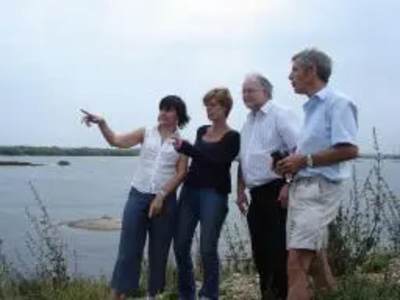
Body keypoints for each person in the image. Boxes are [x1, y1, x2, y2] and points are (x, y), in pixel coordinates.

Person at [81, 95, 190, 300]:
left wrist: (161, 195)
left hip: (165, 201)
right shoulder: (145, 132)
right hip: (138, 195)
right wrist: (102, 124)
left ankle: (153, 295)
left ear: (178, 115)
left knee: (159, 253)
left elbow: (181, 173)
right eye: (161, 108)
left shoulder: (183, 143)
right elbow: (116, 141)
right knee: (128, 250)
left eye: (168, 109)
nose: (162, 113)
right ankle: (117, 294)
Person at [276, 48, 358, 300]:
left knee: (296, 262)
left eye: (295, 70)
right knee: (313, 262)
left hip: (320, 189)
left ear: (312, 70)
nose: (290, 76)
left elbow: (350, 149)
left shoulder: (338, 103)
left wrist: (305, 159)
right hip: (304, 187)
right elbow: (306, 155)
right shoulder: (311, 109)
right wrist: (290, 175)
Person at [172, 87, 240, 300]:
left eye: (214, 105)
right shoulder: (202, 130)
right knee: (181, 244)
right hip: (190, 192)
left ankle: (209, 295)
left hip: (214, 195)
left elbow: (218, 165)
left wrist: (189, 149)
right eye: (207, 105)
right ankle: (187, 293)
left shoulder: (233, 136)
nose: (209, 109)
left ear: (225, 107)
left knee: (207, 248)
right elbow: (198, 159)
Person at [236, 73, 299, 300]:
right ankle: (268, 295)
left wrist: (289, 184)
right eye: (243, 91)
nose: (245, 95)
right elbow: (245, 159)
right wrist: (240, 189)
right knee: (260, 252)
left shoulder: (280, 115)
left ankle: (281, 295)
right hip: (256, 195)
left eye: (250, 90)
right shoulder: (248, 122)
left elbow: (298, 150)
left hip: (277, 190)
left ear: (265, 91)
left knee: (278, 251)